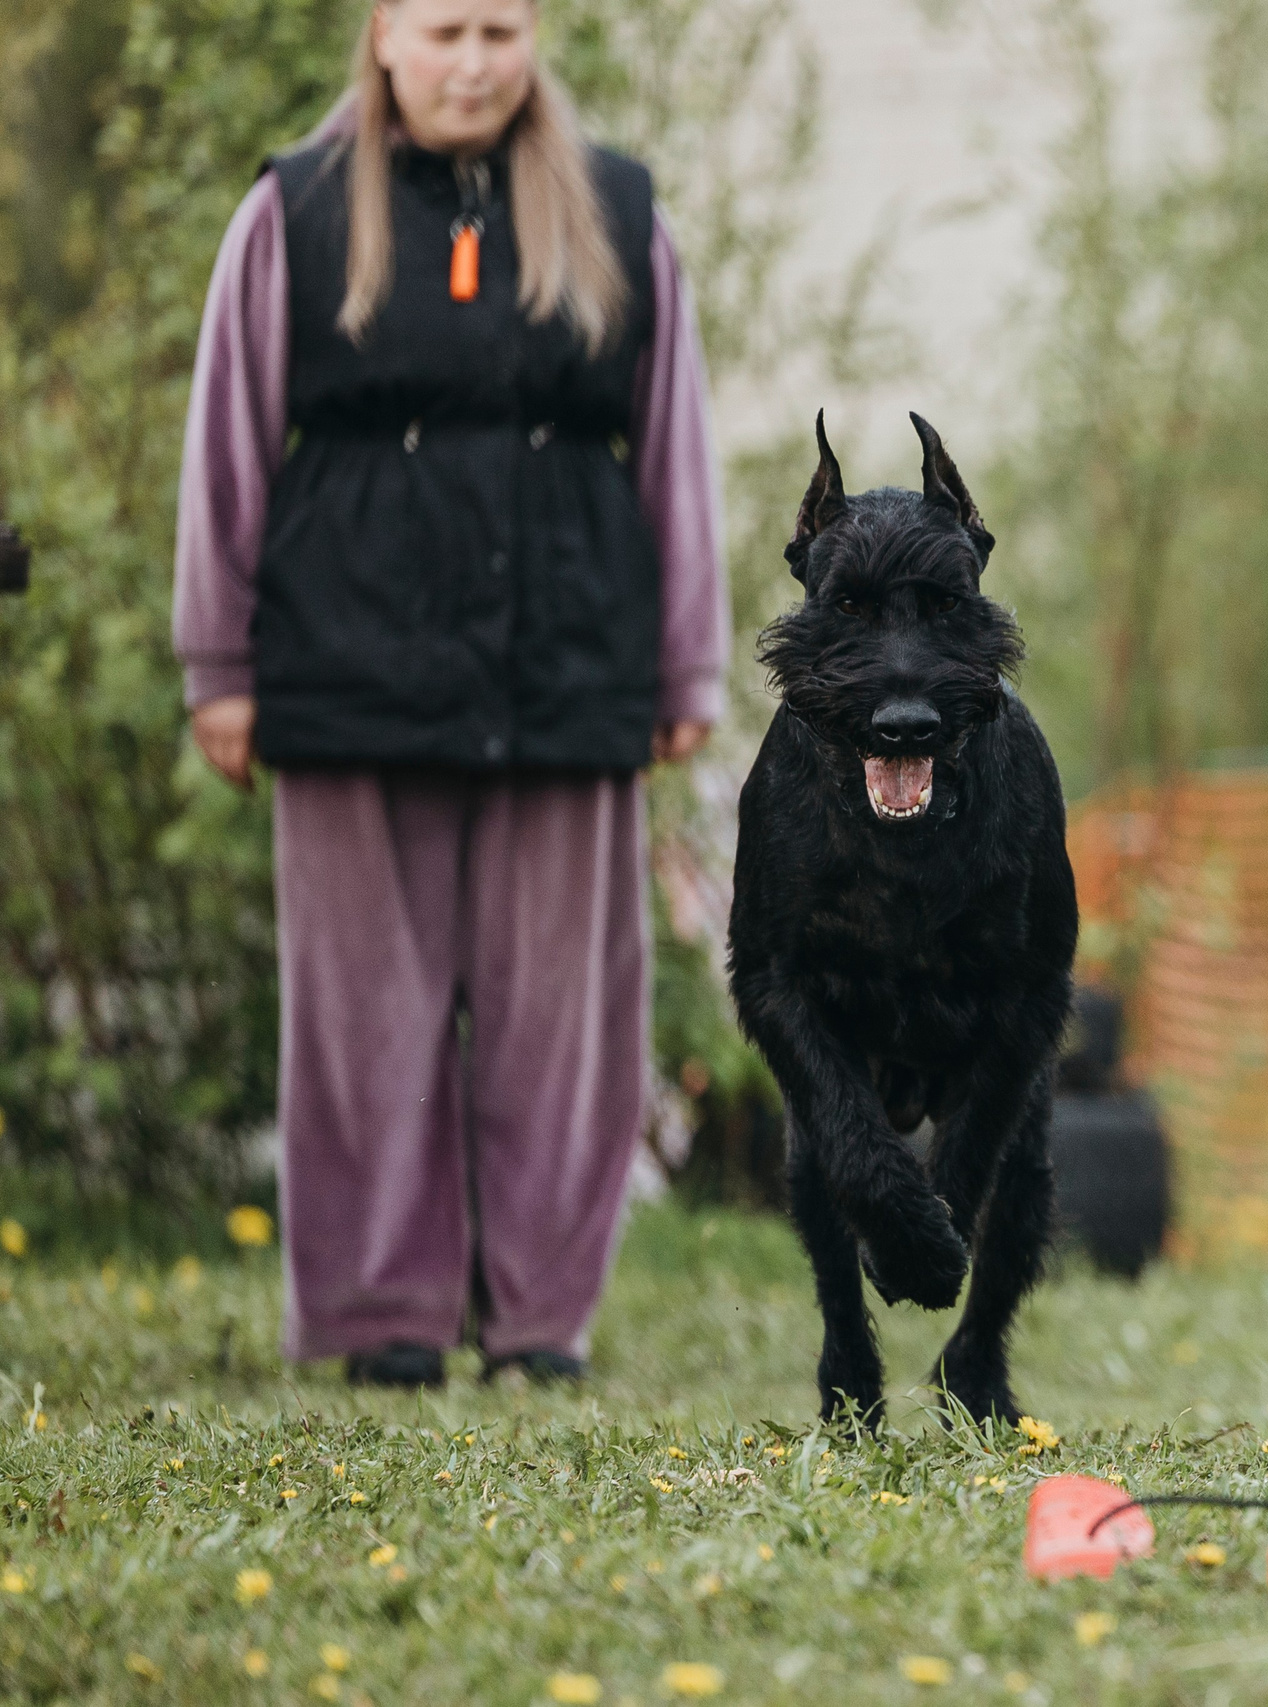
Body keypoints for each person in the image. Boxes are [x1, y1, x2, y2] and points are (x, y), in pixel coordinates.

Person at [173, 0, 728, 1385]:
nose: (473, 61)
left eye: (499, 28)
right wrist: (219, 666)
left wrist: (687, 660)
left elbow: (676, 446)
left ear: (533, 36)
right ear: (382, 36)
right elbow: (228, 447)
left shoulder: (618, 212)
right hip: (348, 660)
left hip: (573, 661)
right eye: (444, 30)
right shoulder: (293, 211)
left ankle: (541, 1323)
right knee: (366, 1014)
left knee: (564, 1019)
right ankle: (383, 1320)